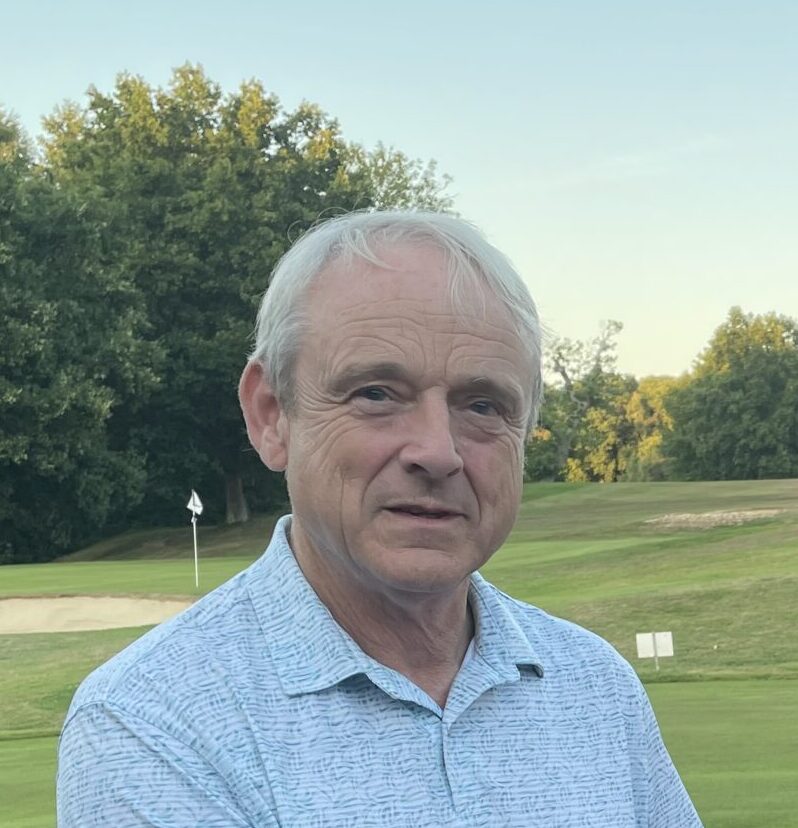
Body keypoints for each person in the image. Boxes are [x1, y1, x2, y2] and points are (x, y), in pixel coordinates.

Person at [57, 211, 702, 827]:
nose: (438, 452)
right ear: (272, 415)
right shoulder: (153, 719)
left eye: (482, 405)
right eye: (375, 394)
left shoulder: (595, 684)